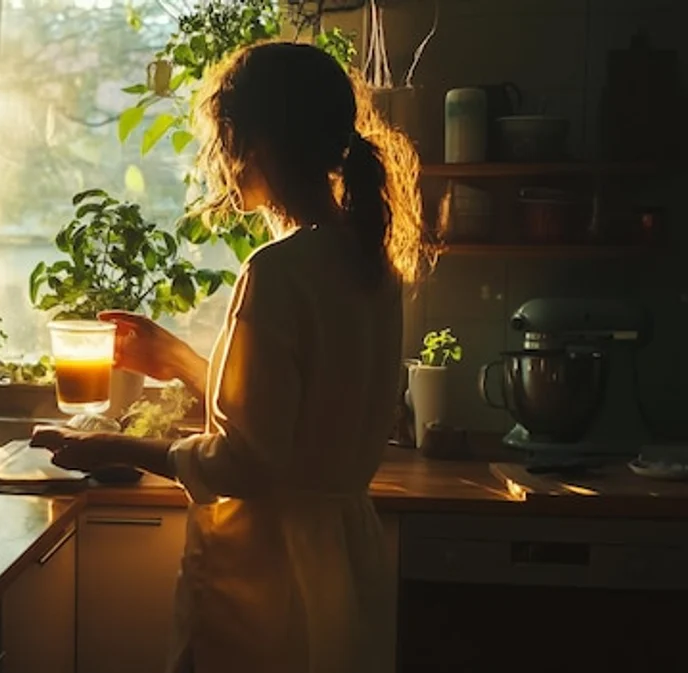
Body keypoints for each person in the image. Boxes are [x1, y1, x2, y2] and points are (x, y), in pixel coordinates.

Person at [30, 41, 432, 673]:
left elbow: (248, 463)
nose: (217, 160)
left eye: (221, 138)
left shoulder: (276, 271)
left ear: (253, 141)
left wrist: (108, 448)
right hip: (341, 562)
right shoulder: (368, 261)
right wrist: (184, 362)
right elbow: (296, 423)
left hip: (268, 580)